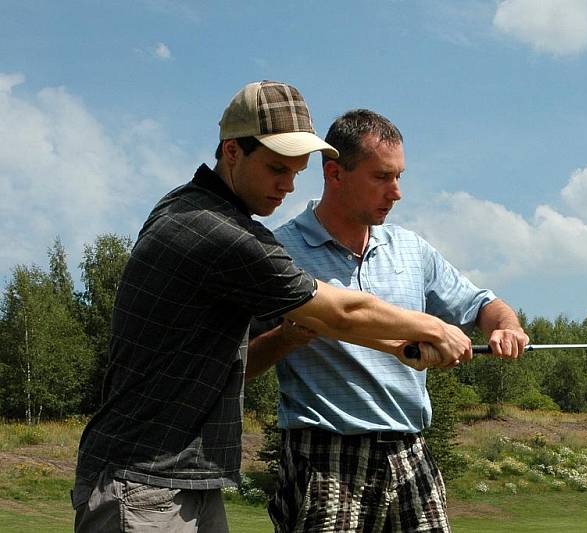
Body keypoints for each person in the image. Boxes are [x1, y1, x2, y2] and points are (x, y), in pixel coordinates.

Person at [71, 82, 472, 533]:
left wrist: (399, 345)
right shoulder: (214, 232)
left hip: (183, 479)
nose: (287, 186)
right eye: (276, 168)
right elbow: (340, 311)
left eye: (297, 172)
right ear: (232, 151)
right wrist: (434, 328)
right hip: (142, 480)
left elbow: (323, 321)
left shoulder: (191, 208)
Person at [255, 109, 530, 532]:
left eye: (399, 175)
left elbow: (481, 304)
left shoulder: (410, 249)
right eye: (382, 177)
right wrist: (291, 336)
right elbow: (240, 361)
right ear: (335, 173)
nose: (397, 192)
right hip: (325, 458)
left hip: (411, 452)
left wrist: (505, 326)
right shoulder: (278, 250)